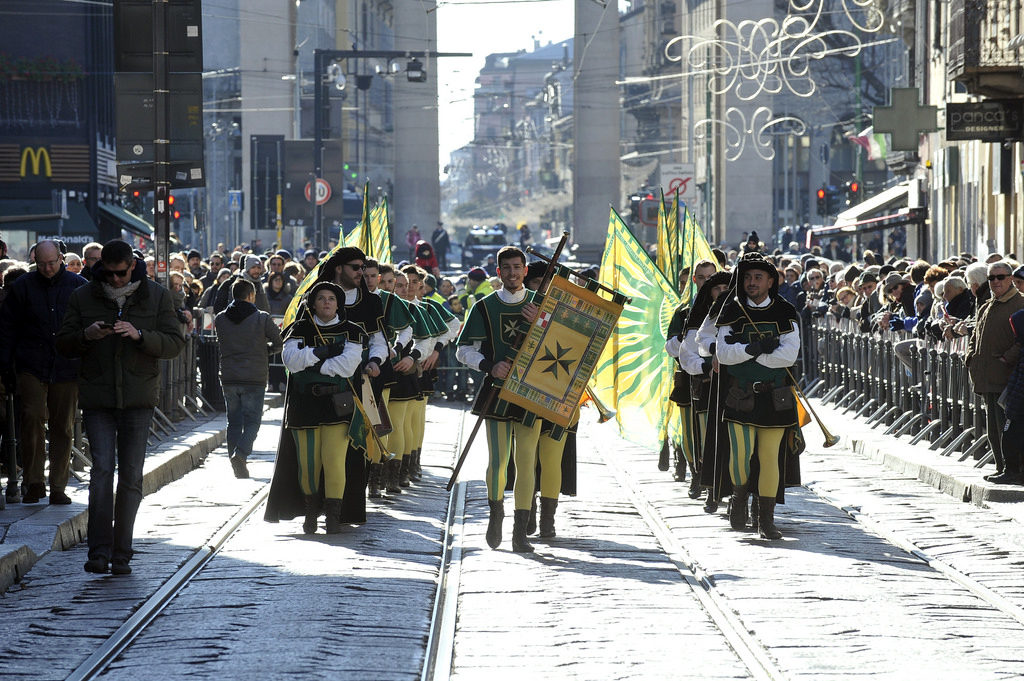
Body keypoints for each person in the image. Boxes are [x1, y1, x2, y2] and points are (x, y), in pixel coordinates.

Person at [56, 240, 185, 574]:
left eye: (120, 273)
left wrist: (141, 335)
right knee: (101, 473)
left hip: (138, 398)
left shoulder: (155, 294)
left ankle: (121, 552)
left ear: (132, 266)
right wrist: (86, 335)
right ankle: (98, 550)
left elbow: (174, 343)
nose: (114, 280)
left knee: (130, 477)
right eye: (109, 274)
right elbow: (64, 343)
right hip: (99, 398)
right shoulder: (84, 295)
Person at [456, 246, 544, 553]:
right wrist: (488, 365)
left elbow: (558, 345)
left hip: (531, 393)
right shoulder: (483, 306)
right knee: (498, 460)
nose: (512, 273)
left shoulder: (542, 305)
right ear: (498, 272)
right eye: (506, 268)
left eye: (517, 267)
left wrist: (541, 321)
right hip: (496, 390)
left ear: (525, 271)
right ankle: (496, 515)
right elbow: (463, 349)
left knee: (526, 462)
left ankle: (520, 531)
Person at [713, 253, 801, 540]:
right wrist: (755, 349)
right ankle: (739, 497)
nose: (752, 282)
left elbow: (788, 355)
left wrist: (750, 357)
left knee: (769, 458)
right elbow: (723, 355)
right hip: (741, 396)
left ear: (771, 281)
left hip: (775, 397)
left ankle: (765, 519)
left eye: (758, 277)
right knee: (741, 458)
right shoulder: (731, 310)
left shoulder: (786, 310)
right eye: (748, 277)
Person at [0, 240, 87, 504]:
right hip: (31, 364)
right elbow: (7, 330)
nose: (48, 268)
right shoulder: (23, 287)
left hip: (66, 365)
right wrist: (6, 366)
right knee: (31, 421)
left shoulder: (78, 286)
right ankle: (34, 481)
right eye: (42, 264)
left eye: (52, 263)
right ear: (35, 261)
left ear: (61, 258)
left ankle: (58, 485)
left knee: (63, 426)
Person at [275, 281, 364, 533]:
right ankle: (311, 512)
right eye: (322, 298)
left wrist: (312, 362)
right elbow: (291, 362)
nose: (327, 302)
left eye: (332, 298)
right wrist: (324, 351)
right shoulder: (298, 329)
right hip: (304, 404)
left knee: (334, 459)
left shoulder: (352, 331)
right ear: (313, 303)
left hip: (338, 404)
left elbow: (347, 366)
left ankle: (333, 516)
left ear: (338, 303)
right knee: (308, 464)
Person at [215, 278, 284, 479]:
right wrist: (266, 350)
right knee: (252, 421)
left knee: (233, 421)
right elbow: (279, 342)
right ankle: (241, 454)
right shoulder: (261, 318)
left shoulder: (220, 318)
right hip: (254, 376)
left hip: (228, 376)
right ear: (251, 295)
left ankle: (236, 461)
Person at [966, 261, 1024, 480]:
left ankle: (1013, 470)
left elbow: (1022, 341)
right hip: (986, 377)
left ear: (1010, 278)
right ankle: (1001, 467)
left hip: (1008, 378)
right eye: (991, 278)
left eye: (1001, 277)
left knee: (1008, 428)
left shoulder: (1020, 303)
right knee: (993, 429)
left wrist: (1005, 359)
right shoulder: (987, 305)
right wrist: (970, 357)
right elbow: (975, 336)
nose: (996, 282)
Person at [664, 259, 718, 490]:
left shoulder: (727, 308)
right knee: (690, 431)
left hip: (716, 376)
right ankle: (696, 472)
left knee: (712, 431)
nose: (706, 282)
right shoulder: (683, 311)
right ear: (694, 280)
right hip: (688, 377)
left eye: (711, 278)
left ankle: (713, 477)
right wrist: (686, 340)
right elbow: (670, 347)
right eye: (702, 277)